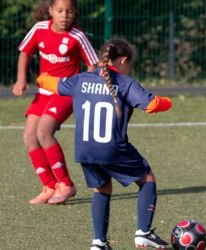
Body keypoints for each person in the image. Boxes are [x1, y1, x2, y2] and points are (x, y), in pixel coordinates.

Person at [36, 37, 171, 250]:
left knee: (102, 188)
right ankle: (143, 233)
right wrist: (168, 102)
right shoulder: (125, 83)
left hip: (85, 150)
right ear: (124, 60)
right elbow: (152, 104)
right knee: (147, 178)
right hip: (111, 148)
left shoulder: (81, 79)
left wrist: (42, 77)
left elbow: (52, 84)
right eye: (130, 65)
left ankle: (99, 243)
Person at [12, 0, 99, 204]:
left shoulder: (77, 36)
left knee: (44, 132)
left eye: (69, 11)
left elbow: (92, 64)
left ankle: (66, 184)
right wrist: (21, 79)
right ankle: (50, 186)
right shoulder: (39, 29)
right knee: (29, 137)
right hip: (43, 93)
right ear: (50, 11)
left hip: (66, 92)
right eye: (60, 11)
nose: (64, 15)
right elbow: (24, 52)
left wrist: (84, 89)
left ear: (74, 13)